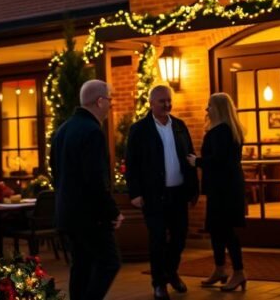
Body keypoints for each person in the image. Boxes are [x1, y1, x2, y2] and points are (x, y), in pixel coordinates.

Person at [50, 80, 124, 299]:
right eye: (109, 100)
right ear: (100, 101)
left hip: (67, 213)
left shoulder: (62, 130)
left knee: (81, 264)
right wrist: (112, 211)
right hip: (90, 216)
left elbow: (56, 173)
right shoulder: (92, 131)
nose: (111, 105)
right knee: (109, 262)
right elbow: (95, 179)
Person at [125, 85, 198, 299]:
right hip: (153, 195)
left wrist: (193, 190)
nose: (167, 105)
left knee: (179, 238)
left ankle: (171, 272)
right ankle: (159, 283)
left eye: (169, 101)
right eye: (162, 101)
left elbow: (190, 157)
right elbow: (131, 163)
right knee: (157, 239)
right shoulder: (139, 129)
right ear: (151, 103)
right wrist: (135, 193)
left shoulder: (180, 126)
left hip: (178, 194)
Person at [187, 93, 247, 292]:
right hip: (226, 187)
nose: (207, 109)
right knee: (217, 229)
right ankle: (220, 269)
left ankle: (238, 272)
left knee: (226, 230)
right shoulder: (230, 129)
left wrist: (196, 161)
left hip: (224, 189)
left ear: (219, 108)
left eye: (210, 105)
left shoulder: (221, 131)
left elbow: (219, 160)